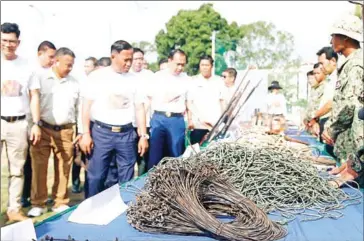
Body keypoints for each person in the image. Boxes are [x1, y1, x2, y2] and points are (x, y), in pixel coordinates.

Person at [79, 40, 148, 197]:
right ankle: (89, 210)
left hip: (126, 134)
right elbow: (86, 107)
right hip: (102, 133)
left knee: (127, 177)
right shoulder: (97, 77)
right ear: (113, 56)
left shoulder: (135, 79)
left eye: (131, 59)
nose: (129, 63)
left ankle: (122, 210)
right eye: (126, 59)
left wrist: (143, 135)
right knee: (96, 176)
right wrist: (85, 134)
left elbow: (140, 108)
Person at [27, 47, 82, 217]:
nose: (70, 68)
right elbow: (34, 102)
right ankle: (38, 203)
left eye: (72, 65)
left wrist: (80, 130)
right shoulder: (40, 78)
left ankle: (60, 201)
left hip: (66, 130)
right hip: (43, 128)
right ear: (56, 61)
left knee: (64, 166)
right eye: (67, 64)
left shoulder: (74, 83)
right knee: (39, 167)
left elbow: (78, 108)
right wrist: (34, 125)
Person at [1, 22, 41, 221]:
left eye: (12, 41)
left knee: (17, 169)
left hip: (19, 123)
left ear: (18, 42)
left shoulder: (27, 66)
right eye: (4, 40)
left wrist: (35, 123)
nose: (8, 45)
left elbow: (34, 95)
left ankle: (14, 209)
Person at [321, 14, 363, 185]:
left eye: (334, 36)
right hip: (353, 154)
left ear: (345, 38)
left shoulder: (356, 65)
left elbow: (350, 106)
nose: (331, 41)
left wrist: (331, 128)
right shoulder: (351, 63)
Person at [22, 40, 57, 208]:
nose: (52, 60)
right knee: (27, 162)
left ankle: (38, 196)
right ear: (39, 54)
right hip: (29, 122)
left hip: (45, 123)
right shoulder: (30, 71)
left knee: (38, 164)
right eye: (50, 57)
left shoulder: (53, 74)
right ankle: (25, 195)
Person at [146, 49, 191, 170]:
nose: (180, 67)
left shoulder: (186, 79)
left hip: (176, 120)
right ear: (170, 61)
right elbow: (148, 101)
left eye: (183, 64)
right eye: (178, 64)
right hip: (159, 119)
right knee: (155, 157)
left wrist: (190, 120)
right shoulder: (157, 77)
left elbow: (189, 102)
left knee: (176, 156)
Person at [187, 55, 225, 145]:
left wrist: (223, 120)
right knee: (196, 152)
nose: (204, 68)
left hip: (215, 125)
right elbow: (189, 102)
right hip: (198, 124)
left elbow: (222, 101)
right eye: (202, 65)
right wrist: (190, 120)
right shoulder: (193, 81)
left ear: (211, 66)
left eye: (207, 65)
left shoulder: (219, 81)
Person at [129, 47, 154, 176]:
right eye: (136, 59)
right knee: (128, 158)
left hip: (146, 123)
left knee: (143, 157)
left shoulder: (149, 75)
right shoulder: (126, 75)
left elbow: (150, 99)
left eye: (141, 59)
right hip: (129, 123)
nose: (138, 61)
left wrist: (141, 124)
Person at [305, 63, 327, 137]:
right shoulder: (313, 90)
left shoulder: (325, 87)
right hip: (311, 124)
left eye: (311, 78)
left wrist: (314, 121)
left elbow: (322, 107)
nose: (309, 81)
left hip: (318, 123)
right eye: (308, 79)